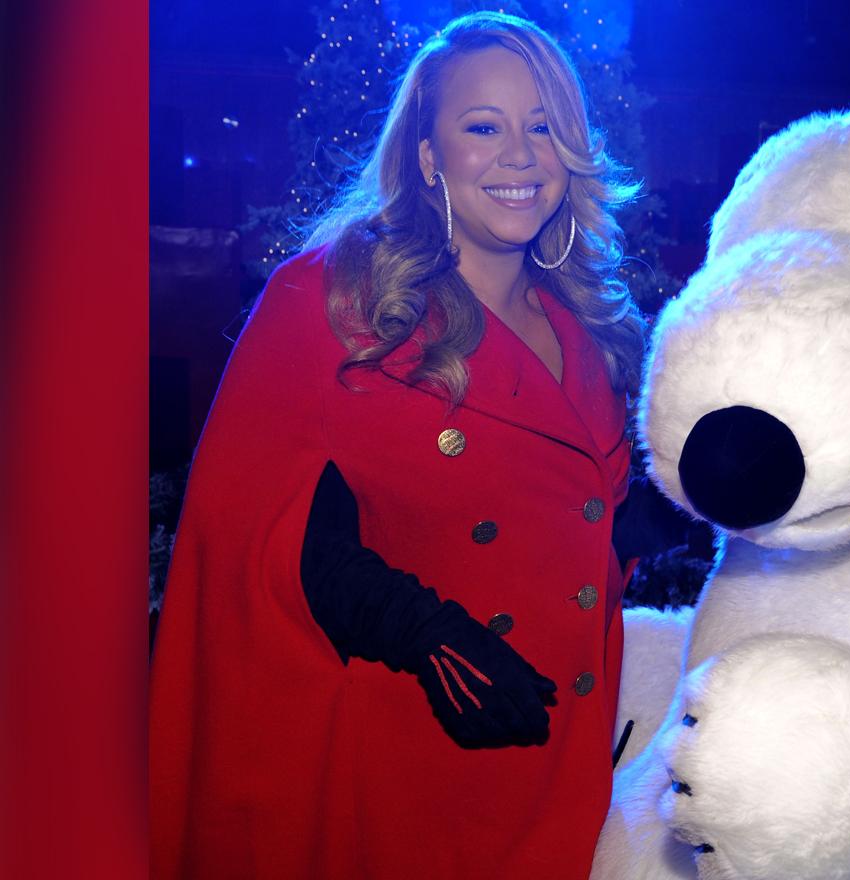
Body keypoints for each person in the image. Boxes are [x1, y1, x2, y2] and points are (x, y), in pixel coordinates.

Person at [149, 12, 644, 878]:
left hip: (561, 745)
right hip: (409, 755)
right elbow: (257, 533)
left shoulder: (589, 321)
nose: (521, 156)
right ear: (428, 158)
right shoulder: (330, 299)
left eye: (543, 127)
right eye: (483, 128)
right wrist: (423, 633)